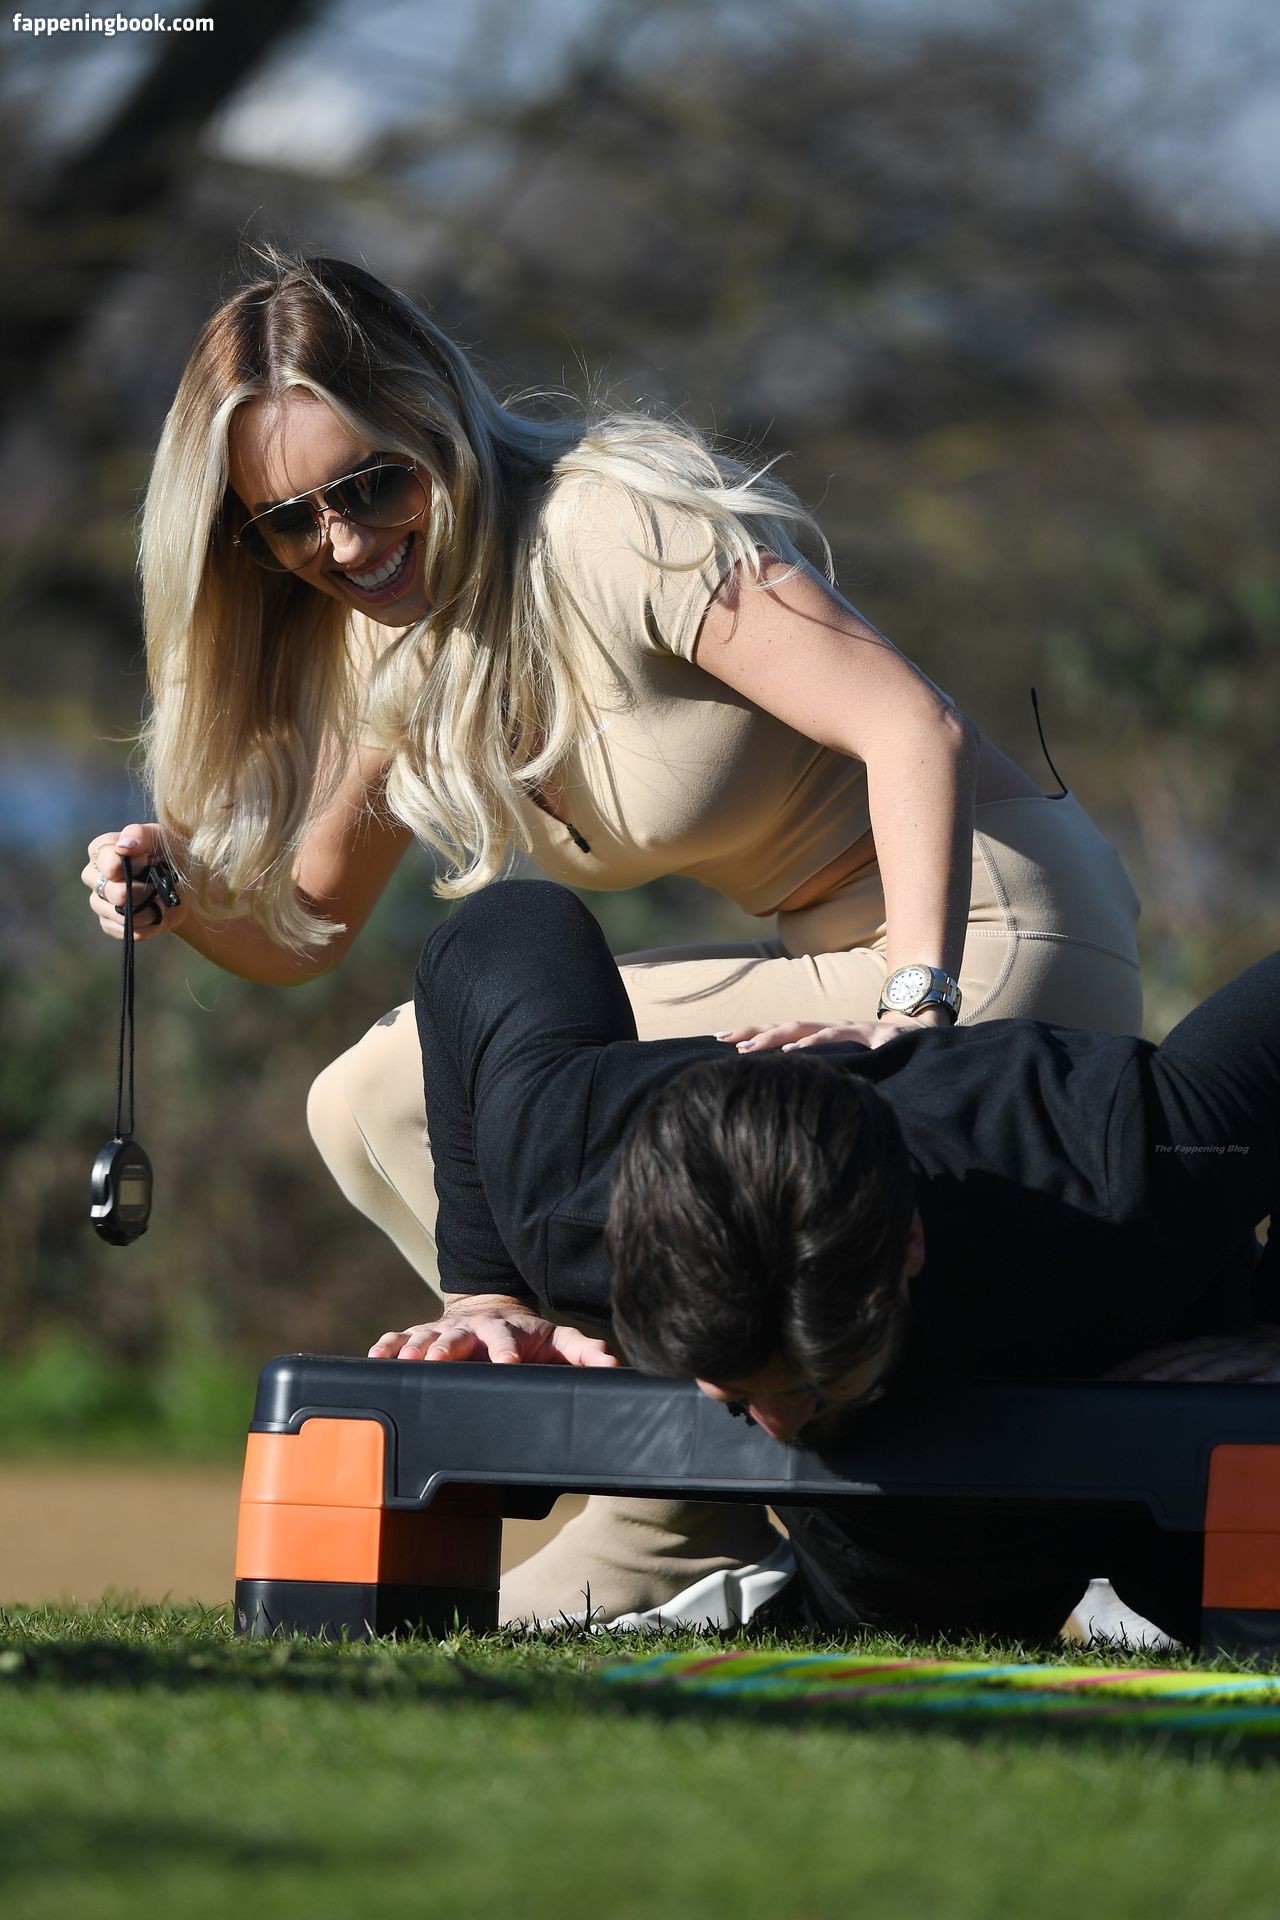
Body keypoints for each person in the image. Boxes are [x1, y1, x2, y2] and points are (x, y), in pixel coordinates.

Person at [83, 248, 1143, 1625]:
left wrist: (915, 1002)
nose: (341, 544)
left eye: (372, 486)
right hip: (827, 951)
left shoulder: (610, 526)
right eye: (289, 522)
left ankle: (681, 1511)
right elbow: (310, 925)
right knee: (368, 1098)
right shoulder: (394, 638)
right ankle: (669, 1490)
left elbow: (909, 727)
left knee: (421, 1086)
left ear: (435, 422)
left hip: (995, 925)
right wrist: (181, 902)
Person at [370, 880, 1277, 1644]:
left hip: (1165, 1407)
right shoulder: (567, 1181)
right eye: (738, 1392)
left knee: (1230, 1604)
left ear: (907, 1251)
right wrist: (486, 1293)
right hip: (900, 1534)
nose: (775, 1422)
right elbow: (506, 923)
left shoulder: (1129, 1159)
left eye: (809, 1383)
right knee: (918, 1632)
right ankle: (767, 1583)